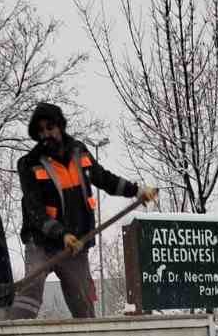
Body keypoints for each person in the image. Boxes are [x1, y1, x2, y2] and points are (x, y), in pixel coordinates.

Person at [13, 102, 157, 319]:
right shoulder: (29, 164)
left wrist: (136, 191)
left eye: (50, 127)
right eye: (40, 131)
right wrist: (61, 234)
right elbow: (35, 211)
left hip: (75, 246)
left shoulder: (79, 152)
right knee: (31, 291)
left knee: (83, 303)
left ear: (60, 126)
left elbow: (104, 179)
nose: (46, 134)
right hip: (41, 244)